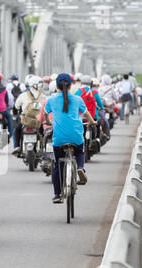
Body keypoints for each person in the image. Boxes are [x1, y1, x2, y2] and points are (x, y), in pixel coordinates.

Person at [43, 74, 97, 204]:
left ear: (56, 86)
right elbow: (87, 114)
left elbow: (45, 113)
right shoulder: (78, 99)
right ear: (71, 85)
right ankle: (80, 167)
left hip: (59, 138)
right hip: (76, 135)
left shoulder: (51, 100)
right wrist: (92, 122)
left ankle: (57, 194)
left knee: (57, 165)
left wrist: (47, 122)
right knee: (80, 151)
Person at [13, 75, 46, 155]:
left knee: (17, 130)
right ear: (34, 85)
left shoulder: (23, 95)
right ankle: (44, 148)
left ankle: (17, 147)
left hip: (25, 121)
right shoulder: (43, 96)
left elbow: (16, 106)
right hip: (38, 121)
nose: (41, 86)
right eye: (40, 84)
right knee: (44, 132)